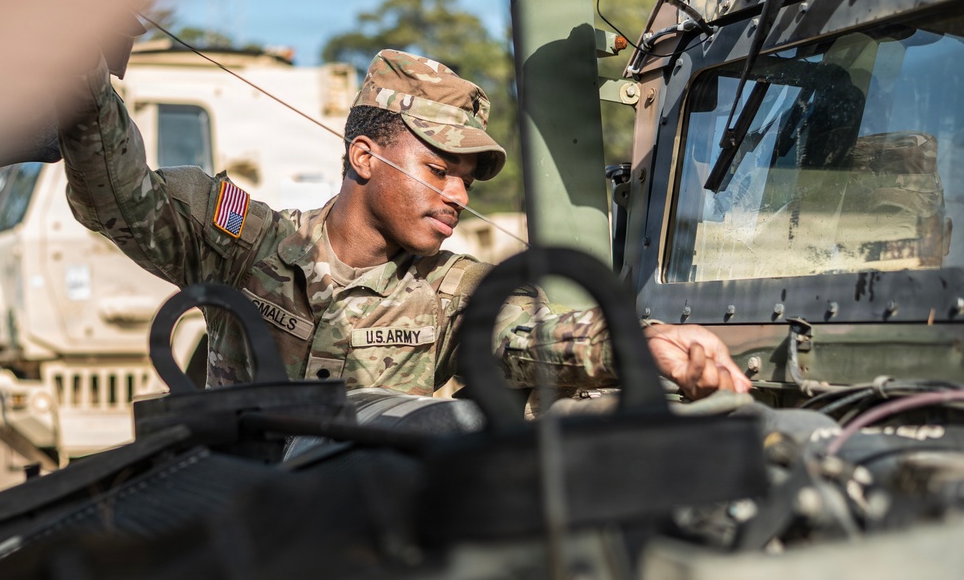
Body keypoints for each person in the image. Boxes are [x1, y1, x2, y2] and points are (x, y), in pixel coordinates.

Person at [58, 48, 750, 401]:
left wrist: (642, 343)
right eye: (438, 169)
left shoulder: (455, 292)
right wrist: (80, 74)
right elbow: (120, 198)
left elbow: (533, 334)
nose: (457, 196)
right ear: (364, 156)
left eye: (467, 179)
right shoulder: (248, 245)